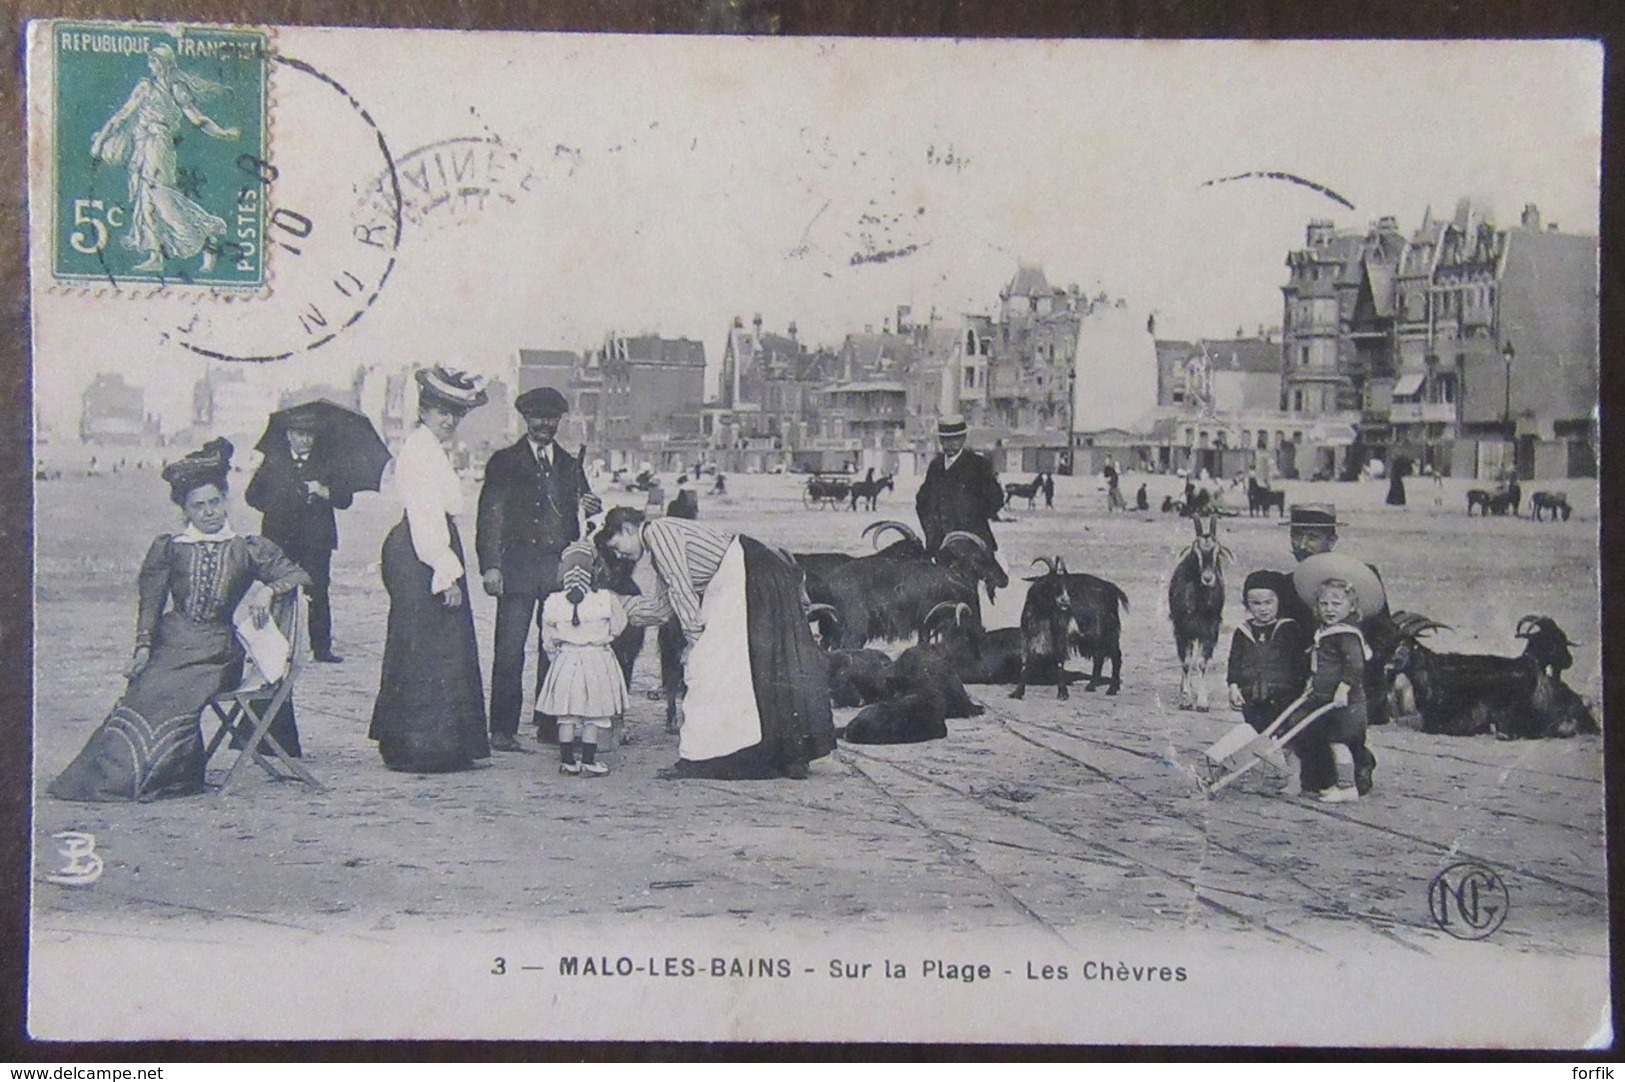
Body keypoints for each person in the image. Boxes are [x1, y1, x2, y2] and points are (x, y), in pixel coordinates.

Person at [49, 439, 311, 802]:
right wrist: (142, 647)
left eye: (215, 502)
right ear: (185, 511)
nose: (209, 512)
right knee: (144, 693)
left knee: (176, 697)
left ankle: (168, 777)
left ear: (225, 500)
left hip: (217, 649)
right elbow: (151, 604)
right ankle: (125, 777)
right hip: (171, 641)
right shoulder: (170, 548)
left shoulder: (246, 548)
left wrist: (268, 590)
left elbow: (299, 575)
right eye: (198, 506)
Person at [601, 507, 835, 780]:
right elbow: (662, 609)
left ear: (628, 529)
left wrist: (694, 640)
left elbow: (680, 588)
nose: (619, 555)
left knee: (711, 667)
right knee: (757, 668)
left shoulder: (657, 533)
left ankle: (701, 759)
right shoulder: (660, 547)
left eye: (617, 546)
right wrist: (614, 605)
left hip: (750, 575)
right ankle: (780, 756)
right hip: (744, 576)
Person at [369, 368, 491, 773]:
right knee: (429, 644)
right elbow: (425, 515)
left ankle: (430, 741)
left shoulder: (429, 448)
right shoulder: (420, 451)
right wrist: (444, 569)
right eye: (441, 411)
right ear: (423, 409)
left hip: (426, 547)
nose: (449, 420)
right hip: (423, 553)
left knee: (430, 644)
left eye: (456, 413)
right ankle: (424, 746)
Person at [475, 386, 602, 752]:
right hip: (515, 569)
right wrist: (490, 567)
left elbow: (589, 516)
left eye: (551, 418)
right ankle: (502, 729)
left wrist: (591, 504)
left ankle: (550, 723)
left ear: (559, 421)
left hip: (557, 570)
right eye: (537, 417)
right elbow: (490, 519)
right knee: (509, 649)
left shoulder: (569, 464)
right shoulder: (503, 462)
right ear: (525, 418)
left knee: (557, 648)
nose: (545, 424)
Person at [90, 44, 240, 273]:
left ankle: (206, 234)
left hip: (159, 147)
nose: (150, 66)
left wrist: (221, 133)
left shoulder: (175, 88)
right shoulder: (145, 87)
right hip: (142, 147)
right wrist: (101, 139)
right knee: (146, 202)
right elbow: (122, 115)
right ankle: (156, 255)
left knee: (162, 198)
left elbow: (197, 118)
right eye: (150, 61)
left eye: (153, 61)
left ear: (162, 64)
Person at [1279, 504, 1390, 795]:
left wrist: (1355, 672)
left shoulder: (1360, 581)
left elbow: (1383, 635)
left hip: (1348, 688)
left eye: (1312, 537)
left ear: (1332, 541)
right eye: (1296, 536)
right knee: (1313, 772)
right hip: (1309, 685)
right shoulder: (1290, 584)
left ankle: (1359, 763)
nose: (1302, 545)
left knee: (1341, 745)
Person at [245, 413, 354, 663]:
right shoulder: (273, 463)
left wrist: (324, 490)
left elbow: (345, 499)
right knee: (276, 591)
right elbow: (252, 497)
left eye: (309, 435)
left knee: (318, 591)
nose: (305, 440)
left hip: (317, 540)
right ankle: (268, 646)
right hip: (280, 538)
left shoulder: (327, 463)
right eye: (299, 434)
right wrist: (277, 501)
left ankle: (322, 648)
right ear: (288, 435)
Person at [538, 542, 630, 777]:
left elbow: (547, 638)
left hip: (566, 660)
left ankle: (568, 760)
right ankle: (589, 760)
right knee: (594, 713)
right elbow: (620, 626)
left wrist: (556, 654)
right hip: (597, 660)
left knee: (566, 713)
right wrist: (603, 637)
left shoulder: (552, 602)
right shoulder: (606, 599)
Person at [1282, 578, 1372, 804]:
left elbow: (1355, 665)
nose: (1329, 609)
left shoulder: (1347, 634)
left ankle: (1347, 787)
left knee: (1339, 742)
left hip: (1346, 702)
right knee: (1297, 731)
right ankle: (1295, 779)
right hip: (1322, 699)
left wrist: (1343, 688)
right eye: (1324, 604)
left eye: (1336, 604)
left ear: (1351, 607)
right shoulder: (1325, 632)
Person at [1225, 570, 1310, 791]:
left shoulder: (1289, 628)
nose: (1263, 608)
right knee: (1257, 737)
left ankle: (1294, 780)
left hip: (1284, 694)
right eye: (1256, 603)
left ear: (1278, 601)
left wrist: (1303, 686)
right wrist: (1233, 686)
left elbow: (1299, 661)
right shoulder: (1243, 632)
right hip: (1253, 694)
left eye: (1268, 602)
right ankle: (1258, 777)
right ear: (1247, 604)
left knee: (1290, 739)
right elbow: (1234, 662)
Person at [914, 414, 1004, 554]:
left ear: (963, 439)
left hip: (974, 545)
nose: (949, 444)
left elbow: (996, 500)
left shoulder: (978, 465)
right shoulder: (936, 466)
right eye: (944, 439)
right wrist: (932, 532)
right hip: (940, 546)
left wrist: (971, 519)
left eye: (954, 439)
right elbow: (922, 501)